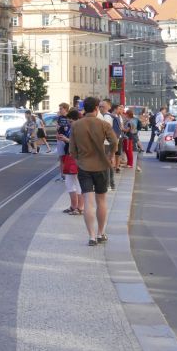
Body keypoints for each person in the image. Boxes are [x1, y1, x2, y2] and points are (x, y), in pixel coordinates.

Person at [69, 96, 118, 246]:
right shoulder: (103, 124)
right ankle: (100, 233)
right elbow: (114, 141)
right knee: (101, 201)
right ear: (96, 108)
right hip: (101, 166)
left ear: (85, 108)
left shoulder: (76, 125)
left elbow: (72, 150)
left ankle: (91, 237)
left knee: (88, 202)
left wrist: (78, 160)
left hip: (84, 166)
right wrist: (111, 155)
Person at [61, 108, 84, 215]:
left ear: (76, 120)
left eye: (70, 121)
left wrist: (66, 140)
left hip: (76, 157)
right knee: (69, 182)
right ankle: (74, 206)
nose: (69, 123)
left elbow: (79, 143)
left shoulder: (79, 128)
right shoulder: (73, 128)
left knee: (77, 182)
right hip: (71, 156)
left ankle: (79, 207)